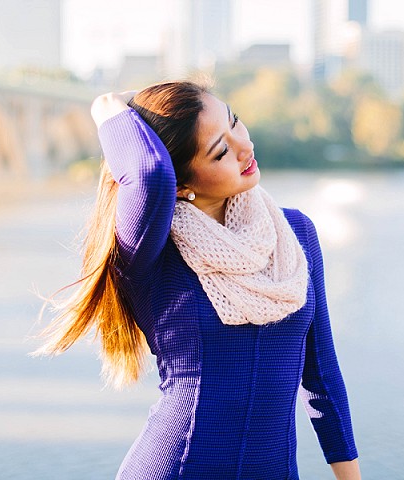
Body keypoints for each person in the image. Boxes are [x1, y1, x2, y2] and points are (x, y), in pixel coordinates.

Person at [34, 81, 361, 479]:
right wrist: (108, 105)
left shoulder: (295, 233)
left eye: (235, 122)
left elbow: (322, 374)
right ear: (182, 184)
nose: (244, 147)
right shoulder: (150, 249)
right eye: (220, 151)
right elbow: (149, 174)